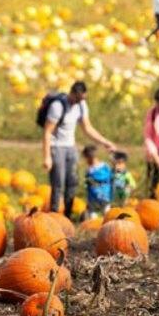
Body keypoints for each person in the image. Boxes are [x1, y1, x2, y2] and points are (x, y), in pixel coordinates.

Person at [42, 81, 117, 218]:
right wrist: (47, 156)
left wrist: (105, 142)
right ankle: (54, 216)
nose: (79, 101)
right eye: (77, 98)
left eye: (82, 99)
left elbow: (87, 128)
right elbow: (47, 132)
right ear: (72, 93)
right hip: (56, 147)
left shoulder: (81, 106)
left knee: (72, 182)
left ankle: (67, 216)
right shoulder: (57, 106)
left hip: (71, 146)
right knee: (58, 183)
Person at [82, 144, 112, 217]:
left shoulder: (90, 171)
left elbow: (87, 184)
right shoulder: (106, 167)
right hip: (106, 195)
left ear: (88, 158)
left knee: (92, 214)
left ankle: (93, 225)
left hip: (93, 198)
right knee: (107, 213)